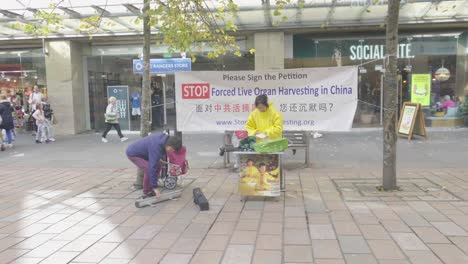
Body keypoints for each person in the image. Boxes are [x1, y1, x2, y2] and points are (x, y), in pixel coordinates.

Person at [126, 133, 183, 198]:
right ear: (169, 146)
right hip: (133, 154)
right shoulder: (157, 146)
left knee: (158, 165)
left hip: (145, 153)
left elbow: (154, 152)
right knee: (148, 169)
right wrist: (155, 187)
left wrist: (157, 159)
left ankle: (151, 187)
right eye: (172, 149)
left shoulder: (164, 141)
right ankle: (147, 192)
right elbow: (152, 168)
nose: (172, 151)